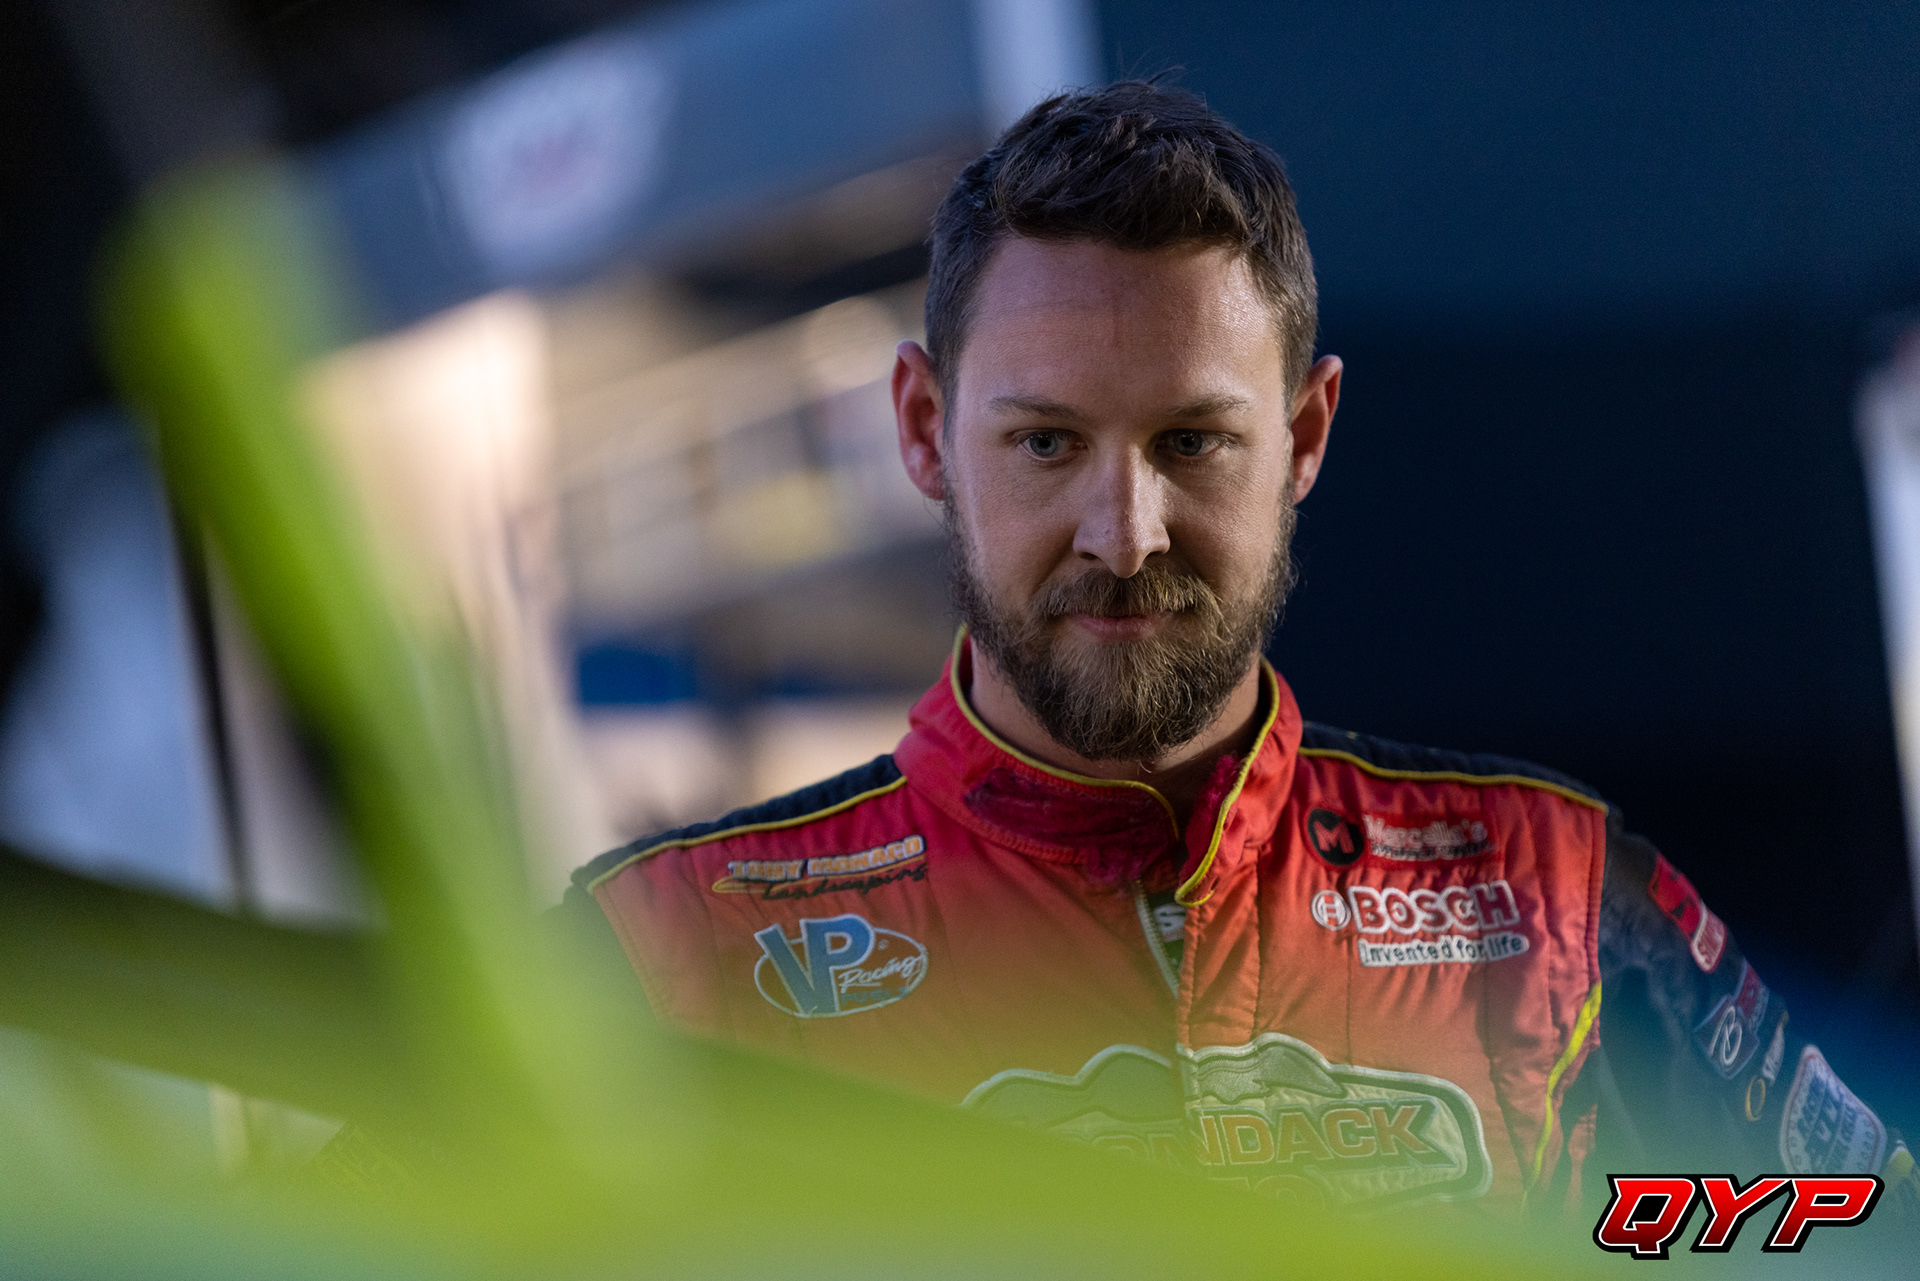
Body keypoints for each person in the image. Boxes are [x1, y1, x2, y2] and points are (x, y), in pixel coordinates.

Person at [564, 81, 1914, 1216]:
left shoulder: (1553, 898)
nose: (1126, 530)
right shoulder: (660, 962)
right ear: (923, 430)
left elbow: (1848, 1239)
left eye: (1192, 443)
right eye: (1046, 442)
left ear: (1307, 438)